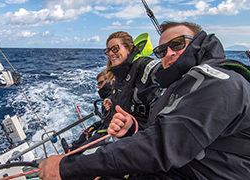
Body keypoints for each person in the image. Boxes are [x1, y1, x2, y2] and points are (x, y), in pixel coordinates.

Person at [38, 21, 250, 180]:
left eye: (177, 44)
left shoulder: (219, 82)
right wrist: (133, 129)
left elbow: (162, 145)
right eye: (161, 50)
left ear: (199, 42)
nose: (169, 53)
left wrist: (67, 168)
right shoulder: (186, 84)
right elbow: (176, 135)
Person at [64, 31, 162, 153]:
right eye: (108, 50)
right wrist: (111, 99)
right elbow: (124, 95)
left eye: (115, 49)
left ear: (129, 49)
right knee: (76, 154)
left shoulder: (146, 68)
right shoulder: (120, 74)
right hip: (116, 130)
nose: (110, 53)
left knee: (77, 158)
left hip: (137, 141)